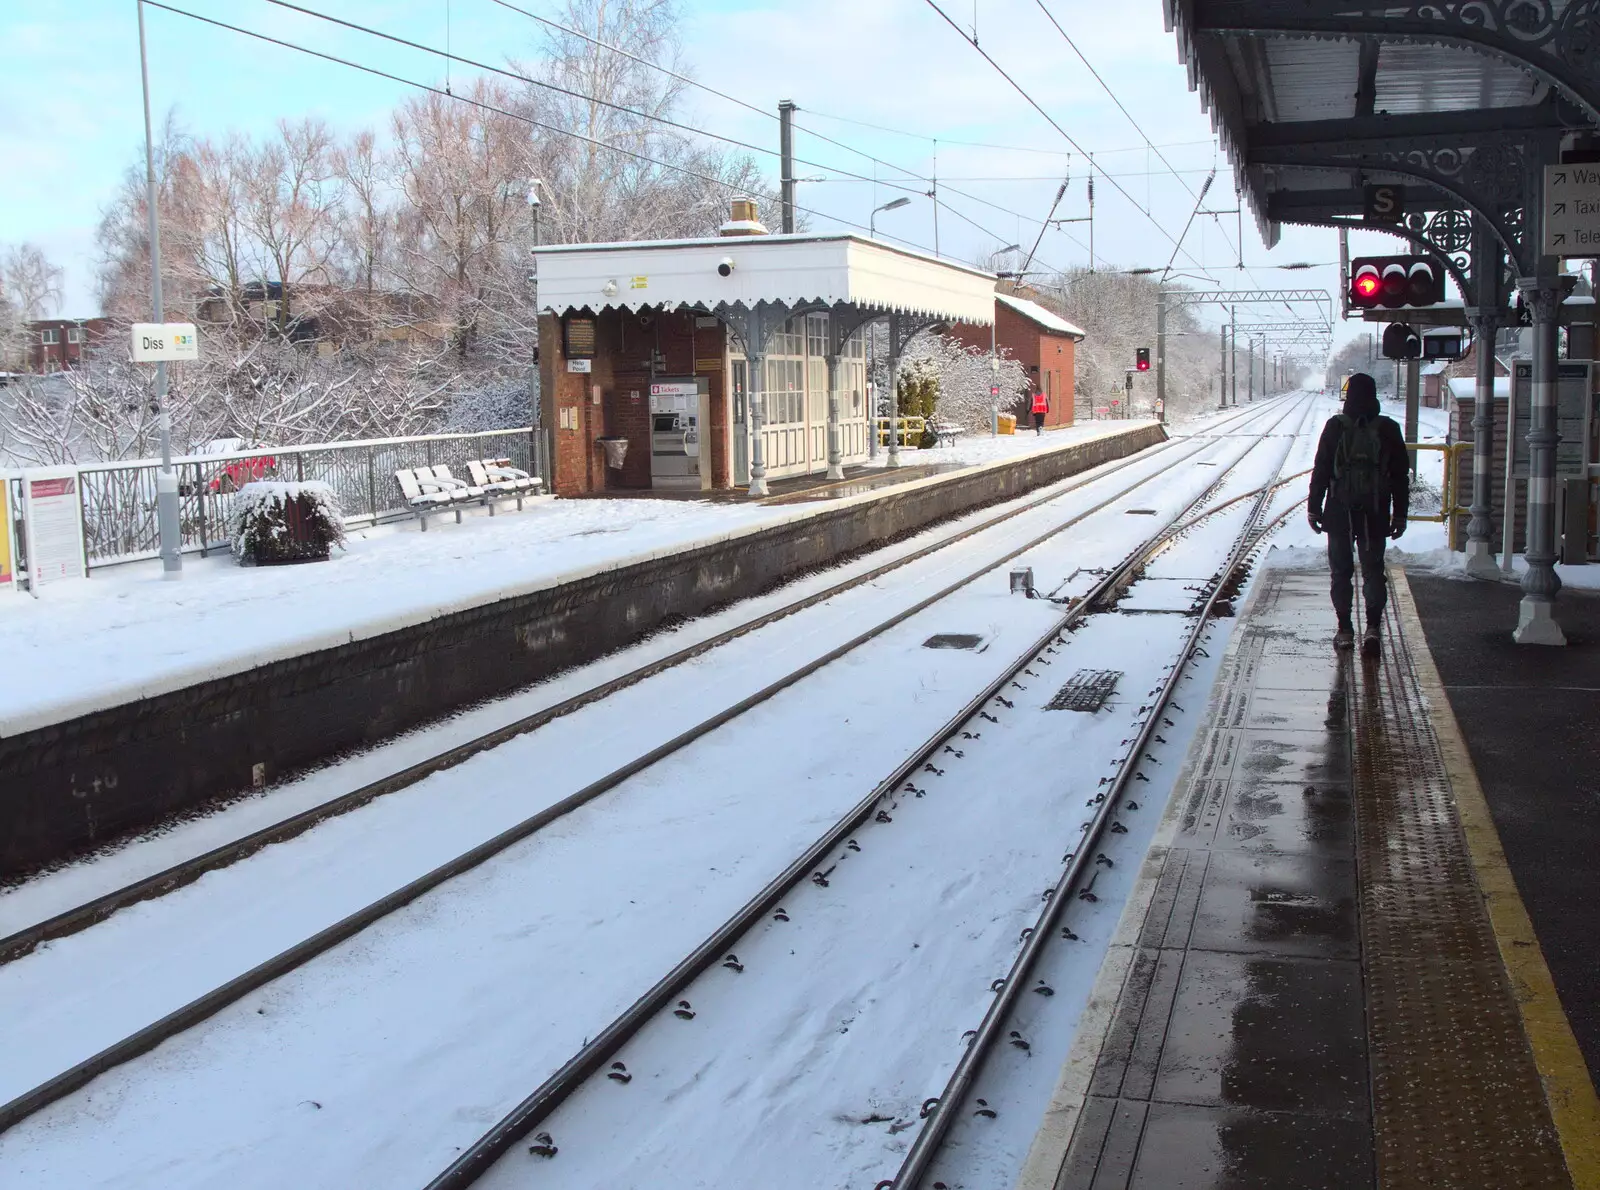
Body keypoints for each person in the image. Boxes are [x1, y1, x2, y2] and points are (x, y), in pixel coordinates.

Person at [1307, 372, 1410, 655]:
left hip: (1340, 511)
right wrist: (1400, 514)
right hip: (1375, 511)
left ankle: (1344, 630)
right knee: (1373, 571)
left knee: (1341, 572)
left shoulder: (1335, 426)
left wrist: (1314, 507)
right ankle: (1373, 629)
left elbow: (1322, 470)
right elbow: (1401, 475)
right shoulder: (1388, 428)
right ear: (1374, 395)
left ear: (1348, 396)